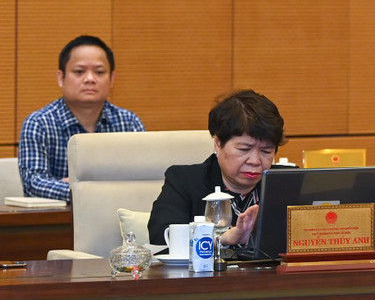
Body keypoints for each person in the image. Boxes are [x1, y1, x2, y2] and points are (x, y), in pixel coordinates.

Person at [148, 89, 286, 250]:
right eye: (243, 149)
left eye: (266, 151)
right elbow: (161, 237)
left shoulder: (285, 184)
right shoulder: (185, 181)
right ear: (218, 144)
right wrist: (222, 239)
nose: (255, 161)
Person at [18, 35, 145, 201]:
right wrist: (92, 190)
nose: (90, 79)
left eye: (99, 72)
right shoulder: (39, 124)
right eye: (79, 72)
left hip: (116, 221)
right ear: (60, 78)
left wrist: (79, 187)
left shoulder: (129, 123)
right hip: (60, 224)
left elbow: (144, 180)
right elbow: (33, 184)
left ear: (112, 79)